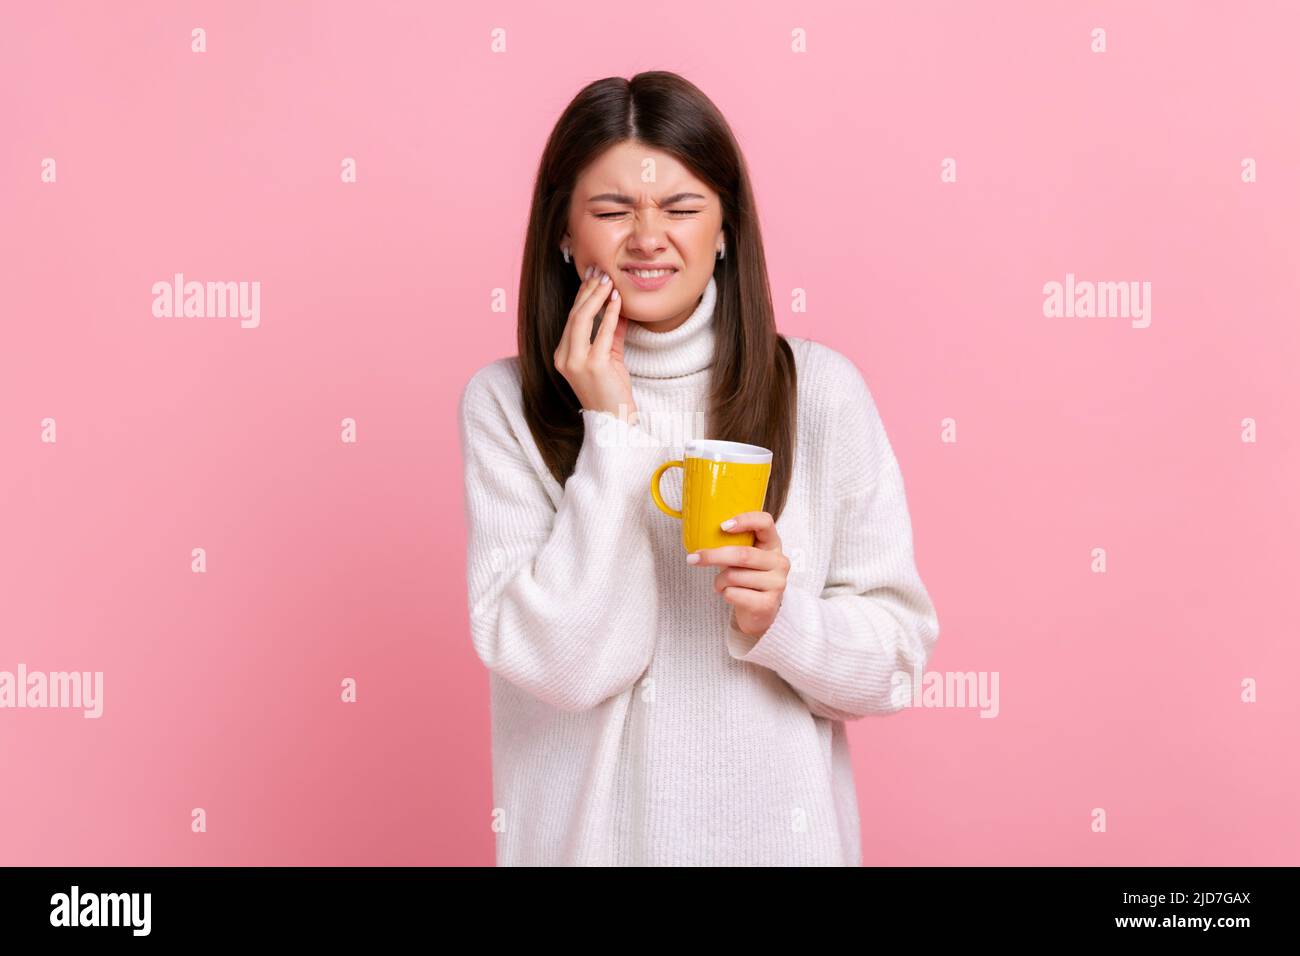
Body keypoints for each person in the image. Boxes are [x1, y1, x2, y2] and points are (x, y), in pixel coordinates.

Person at [458, 71, 940, 866]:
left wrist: (782, 622)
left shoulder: (817, 393)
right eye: (612, 211)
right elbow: (570, 668)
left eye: (681, 210)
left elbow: (893, 665)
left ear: (725, 230)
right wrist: (609, 427)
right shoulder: (503, 406)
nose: (649, 238)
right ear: (563, 234)